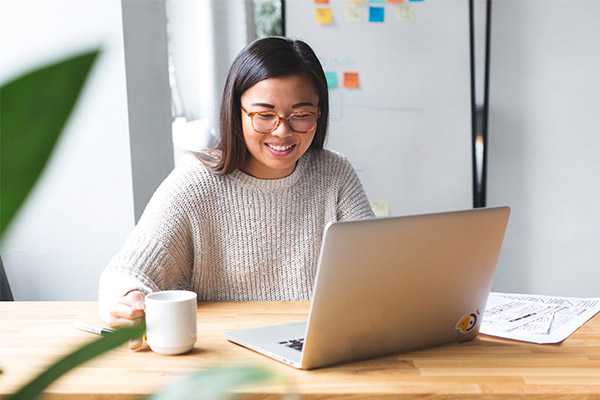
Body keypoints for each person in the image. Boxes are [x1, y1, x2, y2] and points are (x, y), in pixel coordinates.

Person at [98, 37, 374, 349]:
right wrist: (129, 301)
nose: (283, 130)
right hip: (220, 359)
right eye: (264, 114)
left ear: (319, 113)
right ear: (236, 112)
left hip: (313, 348)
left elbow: (376, 270)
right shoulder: (194, 182)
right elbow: (126, 272)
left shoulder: (335, 174)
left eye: (300, 114)